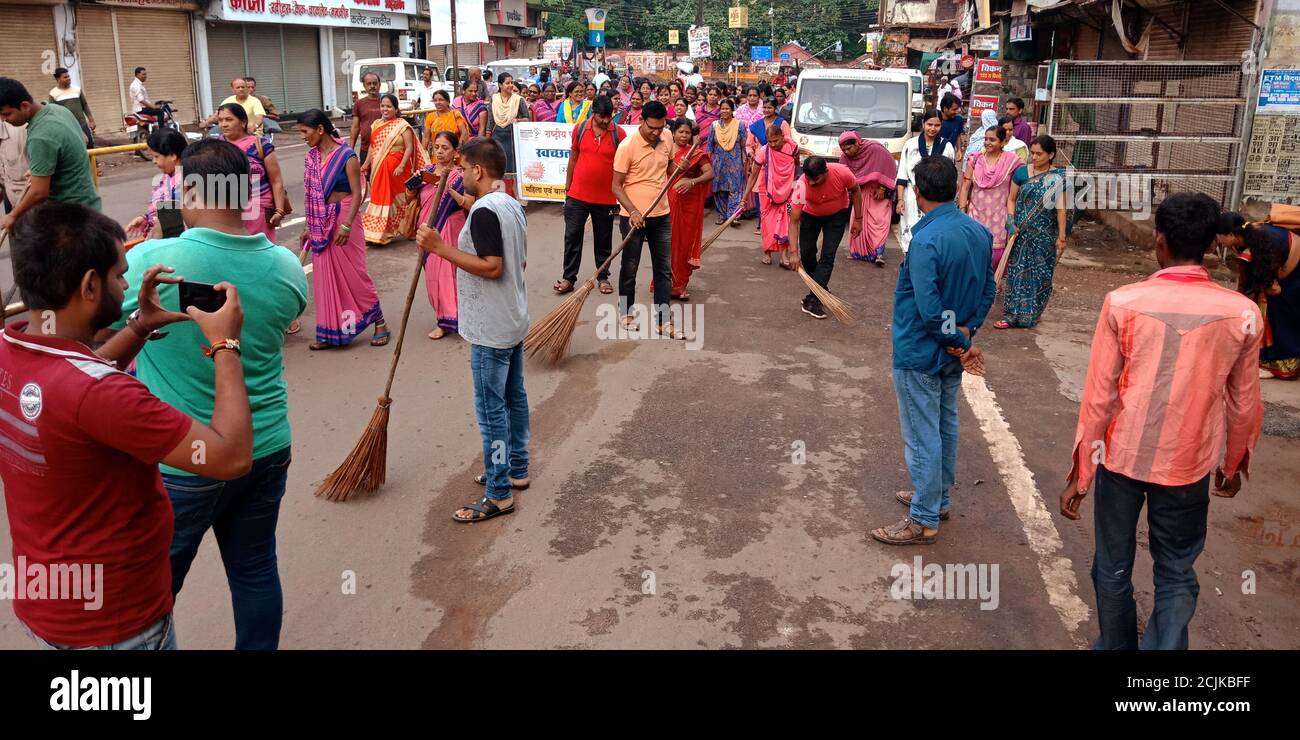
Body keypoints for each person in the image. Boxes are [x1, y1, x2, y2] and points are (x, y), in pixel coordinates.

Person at [1, 201, 253, 650]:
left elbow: (72, 387)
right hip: (116, 627)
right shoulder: (107, 396)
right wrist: (226, 343)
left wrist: (138, 327)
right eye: (120, 275)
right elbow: (230, 456)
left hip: (47, 608)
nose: (125, 284)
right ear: (90, 285)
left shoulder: (15, 347)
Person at [115, 138, 308, 650]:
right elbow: (283, 321)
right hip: (264, 446)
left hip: (183, 461)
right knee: (254, 570)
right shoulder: (288, 269)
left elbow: (99, 331)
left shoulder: (151, 262)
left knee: (153, 590)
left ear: (189, 189)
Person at [1061, 192, 1263, 650]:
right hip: (1188, 463)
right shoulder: (1243, 313)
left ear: (1159, 241)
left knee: (1111, 565)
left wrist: (1081, 470)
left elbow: (1099, 397)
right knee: (1175, 570)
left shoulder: (1122, 302)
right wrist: (1234, 464)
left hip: (1122, 458)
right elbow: (1245, 402)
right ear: (1214, 244)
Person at [870, 155, 994, 546]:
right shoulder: (977, 232)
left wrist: (959, 341)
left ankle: (923, 518)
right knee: (944, 424)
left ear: (918, 193)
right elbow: (989, 289)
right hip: (949, 352)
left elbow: (927, 310)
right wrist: (966, 334)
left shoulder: (925, 240)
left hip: (921, 350)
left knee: (923, 433)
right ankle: (935, 498)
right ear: (955, 187)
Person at [414, 139, 531, 523]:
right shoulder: (510, 203)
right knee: (513, 398)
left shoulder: (483, 211)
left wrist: (439, 247)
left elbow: (493, 266)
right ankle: (516, 468)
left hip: (491, 328)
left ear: (478, 171)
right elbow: (521, 261)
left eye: (464, 168)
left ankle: (498, 492)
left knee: (490, 411)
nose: (461, 174)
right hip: (511, 318)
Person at [299, 109, 389, 350]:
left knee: (354, 274)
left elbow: (357, 193)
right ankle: (332, 331)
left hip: (344, 216)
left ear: (320, 129)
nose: (303, 137)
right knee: (325, 278)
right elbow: (311, 195)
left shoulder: (347, 156)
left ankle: (379, 322)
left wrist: (347, 225)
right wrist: (309, 226)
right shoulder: (311, 158)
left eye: (305, 132)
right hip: (320, 221)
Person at [612, 100, 685, 339]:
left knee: (663, 269)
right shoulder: (627, 146)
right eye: (652, 128)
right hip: (633, 218)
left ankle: (663, 321)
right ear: (641, 121)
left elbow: (670, 166)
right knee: (630, 267)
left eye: (660, 127)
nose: (656, 132)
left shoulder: (666, 137)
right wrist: (632, 211)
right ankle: (626, 313)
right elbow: (616, 186)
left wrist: (680, 167)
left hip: (661, 214)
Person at [0, 77, 101, 233]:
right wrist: (42, 166)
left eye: (7, 114)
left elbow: (39, 192)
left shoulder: (40, 136)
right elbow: (78, 142)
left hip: (71, 221)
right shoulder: (58, 110)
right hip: (90, 205)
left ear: (24, 106)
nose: (3, 120)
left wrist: (13, 215)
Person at [997, 135, 1069, 329]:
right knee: (1016, 273)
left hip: (1045, 234)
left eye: (1039, 154)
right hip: (1020, 232)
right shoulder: (1021, 173)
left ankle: (1034, 314)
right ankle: (1011, 315)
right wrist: (1010, 221)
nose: (1034, 157)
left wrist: (1062, 237)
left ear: (1051, 154)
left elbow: (1061, 208)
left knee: (1042, 275)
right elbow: (1011, 199)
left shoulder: (1058, 177)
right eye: (1033, 153)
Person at [787, 155, 864, 320]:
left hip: (836, 216)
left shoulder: (843, 173)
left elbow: (856, 191)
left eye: (816, 179)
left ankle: (813, 299)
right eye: (809, 179)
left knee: (827, 256)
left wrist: (858, 219)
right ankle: (822, 290)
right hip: (810, 215)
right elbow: (793, 221)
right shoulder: (801, 185)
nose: (812, 183)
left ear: (826, 172)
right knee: (807, 254)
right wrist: (793, 252)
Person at [559, 97, 622, 298]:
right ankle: (569, 278)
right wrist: (568, 188)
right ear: (593, 113)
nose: (605, 121)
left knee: (603, 239)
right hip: (577, 195)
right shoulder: (579, 129)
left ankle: (603, 277)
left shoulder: (618, 133)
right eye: (602, 117)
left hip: (605, 198)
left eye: (609, 116)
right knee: (572, 236)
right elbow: (573, 159)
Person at [418, 130, 474, 340]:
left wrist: (448, 189)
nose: (439, 152)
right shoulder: (426, 171)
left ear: (455, 152)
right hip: (426, 228)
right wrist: (410, 188)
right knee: (434, 277)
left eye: (445, 148)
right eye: (436, 147)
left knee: (452, 275)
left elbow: (469, 203)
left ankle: (455, 319)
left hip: (451, 230)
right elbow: (411, 201)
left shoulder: (461, 175)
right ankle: (443, 318)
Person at [360, 94, 428, 245]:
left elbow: (409, 147)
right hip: (378, 169)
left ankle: (389, 232)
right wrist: (366, 164)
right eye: (382, 106)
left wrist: (402, 165)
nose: (385, 109)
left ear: (396, 109)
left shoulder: (402, 125)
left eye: (389, 106)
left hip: (397, 170)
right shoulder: (376, 125)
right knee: (380, 197)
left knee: (394, 198)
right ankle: (375, 234)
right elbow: (372, 147)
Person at [215, 103, 288, 241]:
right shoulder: (215, 147)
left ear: (243, 122)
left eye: (229, 120)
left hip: (258, 208)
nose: (223, 124)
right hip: (228, 209)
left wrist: (279, 210)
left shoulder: (260, 145)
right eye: (220, 120)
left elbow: (276, 180)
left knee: (260, 250)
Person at [1237, 220, 1300, 380]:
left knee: (1282, 313)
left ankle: (1285, 365)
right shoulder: (1254, 234)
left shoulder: (1260, 239)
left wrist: (1269, 284)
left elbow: (1272, 285)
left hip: (1293, 272)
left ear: (1231, 234)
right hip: (1288, 268)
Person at [958, 123, 1019, 268]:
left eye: (992, 140)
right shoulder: (975, 159)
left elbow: (1017, 188)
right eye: (986, 139)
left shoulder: (1012, 161)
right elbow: (965, 186)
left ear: (1003, 142)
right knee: (972, 252)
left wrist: (1012, 217)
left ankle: (991, 287)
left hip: (999, 215)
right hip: (975, 213)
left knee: (995, 258)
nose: (987, 142)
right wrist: (961, 211)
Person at [666, 118, 713, 300]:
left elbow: (710, 173)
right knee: (666, 244)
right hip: (666, 202)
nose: (684, 136)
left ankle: (679, 285)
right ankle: (664, 283)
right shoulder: (666, 150)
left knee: (684, 244)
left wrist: (692, 181)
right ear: (673, 133)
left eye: (687, 133)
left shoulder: (696, 153)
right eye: (681, 132)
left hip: (688, 204)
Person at [897, 110, 955, 256]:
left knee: (934, 232)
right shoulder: (910, 145)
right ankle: (909, 261)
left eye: (937, 125)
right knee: (909, 232)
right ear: (923, 124)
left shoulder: (947, 147)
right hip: (912, 194)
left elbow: (951, 177)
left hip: (937, 198)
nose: (932, 128)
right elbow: (902, 174)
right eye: (929, 124)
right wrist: (900, 199)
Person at [742, 122, 798, 267]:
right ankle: (767, 252)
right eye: (770, 141)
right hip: (767, 191)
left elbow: (796, 166)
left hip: (788, 190)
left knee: (787, 222)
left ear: (782, 137)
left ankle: (784, 255)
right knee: (767, 224)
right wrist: (744, 197)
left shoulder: (791, 147)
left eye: (776, 141)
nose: (773, 144)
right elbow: (753, 176)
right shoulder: (763, 151)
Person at [838, 131, 897, 266]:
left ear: (857, 143)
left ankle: (878, 253)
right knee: (858, 221)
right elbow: (843, 174)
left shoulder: (875, 149)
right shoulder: (845, 158)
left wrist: (882, 188)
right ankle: (860, 252)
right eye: (844, 149)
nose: (847, 152)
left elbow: (889, 166)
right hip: (860, 193)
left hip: (878, 192)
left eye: (849, 148)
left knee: (879, 221)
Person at [124, 128, 186, 240]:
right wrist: (146, 218)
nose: (154, 161)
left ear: (173, 155)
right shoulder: (166, 178)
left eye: (156, 156)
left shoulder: (185, 181)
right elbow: (160, 208)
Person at [486, 73, 530, 196]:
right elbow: (490, 121)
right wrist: (488, 140)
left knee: (514, 168)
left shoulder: (518, 99)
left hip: (513, 137)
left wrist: (518, 120)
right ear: (500, 85)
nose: (511, 85)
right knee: (498, 167)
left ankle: (516, 197)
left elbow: (527, 118)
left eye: (511, 82)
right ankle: (499, 196)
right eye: (507, 83)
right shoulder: (494, 99)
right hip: (497, 136)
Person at [707, 98, 747, 225]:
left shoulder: (739, 125)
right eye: (722, 108)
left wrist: (745, 159)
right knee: (719, 190)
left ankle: (732, 216)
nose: (724, 111)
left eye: (727, 109)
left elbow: (744, 145)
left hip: (735, 163)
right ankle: (722, 215)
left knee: (735, 189)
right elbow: (709, 146)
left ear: (732, 110)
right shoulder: (714, 126)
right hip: (719, 163)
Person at [48, 68, 94, 147]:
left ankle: (91, 160)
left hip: (82, 125)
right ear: (58, 79)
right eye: (65, 77)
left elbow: (85, 105)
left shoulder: (77, 90)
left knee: (89, 146)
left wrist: (91, 120)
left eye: (68, 76)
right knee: (73, 148)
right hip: (67, 128)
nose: (68, 78)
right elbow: (53, 113)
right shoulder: (53, 94)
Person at [348, 72, 383, 167]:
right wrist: (350, 150)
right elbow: (355, 128)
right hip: (365, 149)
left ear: (379, 85)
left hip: (385, 149)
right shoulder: (359, 104)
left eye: (375, 83)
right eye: (369, 84)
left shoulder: (387, 102)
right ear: (364, 86)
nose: (372, 86)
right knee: (366, 179)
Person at [0, 119, 29, 213]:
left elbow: (36, 181)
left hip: (31, 204)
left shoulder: (22, 132)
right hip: (10, 196)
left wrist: (15, 213)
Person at [937, 93, 965, 159]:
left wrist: (959, 150)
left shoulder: (958, 120)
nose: (957, 111)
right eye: (954, 109)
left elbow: (957, 135)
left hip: (949, 157)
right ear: (945, 109)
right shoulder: (934, 120)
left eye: (958, 109)